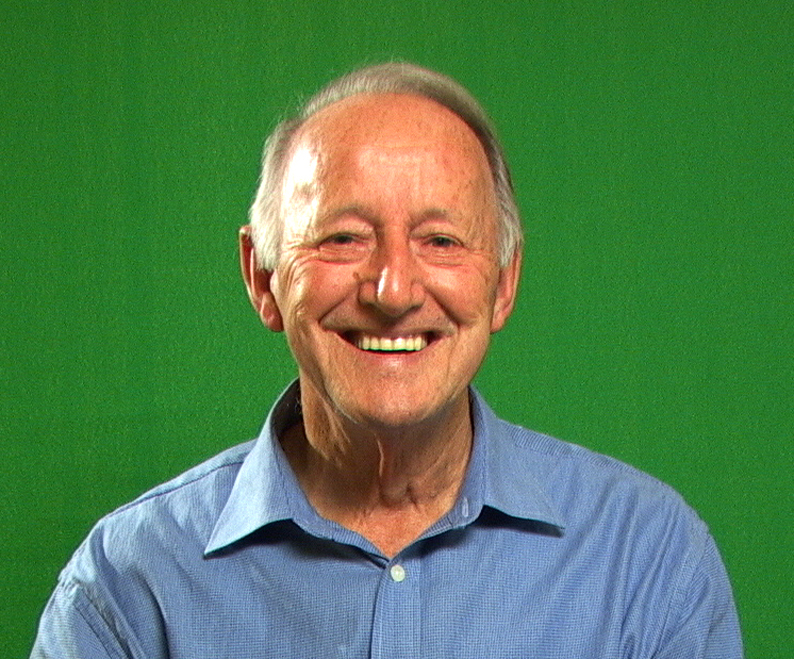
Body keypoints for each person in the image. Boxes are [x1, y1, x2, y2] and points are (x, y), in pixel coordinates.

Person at [31, 62, 743, 658]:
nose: (393, 290)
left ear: (504, 282)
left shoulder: (649, 560)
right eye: (343, 238)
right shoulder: (127, 586)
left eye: (441, 240)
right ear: (262, 277)